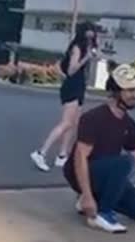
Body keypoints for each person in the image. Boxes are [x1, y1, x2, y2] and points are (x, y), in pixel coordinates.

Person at [63, 63, 135, 233]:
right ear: (116, 92)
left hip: (108, 174)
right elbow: (80, 157)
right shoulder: (94, 117)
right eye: (130, 91)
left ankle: (95, 198)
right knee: (124, 162)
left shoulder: (128, 123)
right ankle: (102, 214)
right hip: (81, 171)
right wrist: (87, 195)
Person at [31, 21, 98, 172]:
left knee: (74, 123)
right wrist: (86, 58)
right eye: (89, 32)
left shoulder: (85, 47)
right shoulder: (77, 48)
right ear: (83, 33)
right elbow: (72, 70)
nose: (91, 36)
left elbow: (62, 67)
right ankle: (41, 152)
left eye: (93, 33)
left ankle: (62, 155)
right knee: (66, 123)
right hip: (72, 87)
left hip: (79, 86)